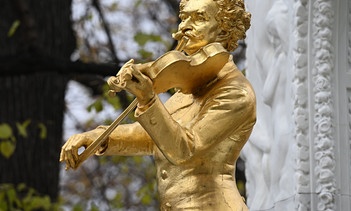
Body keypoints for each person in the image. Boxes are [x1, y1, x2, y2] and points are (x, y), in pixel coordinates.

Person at [60, 0, 255, 210]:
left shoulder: (235, 92)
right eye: (184, 18)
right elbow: (151, 136)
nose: (184, 27)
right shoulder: (190, 85)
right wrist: (96, 138)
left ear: (225, 29)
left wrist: (149, 100)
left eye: (199, 18)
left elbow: (186, 149)